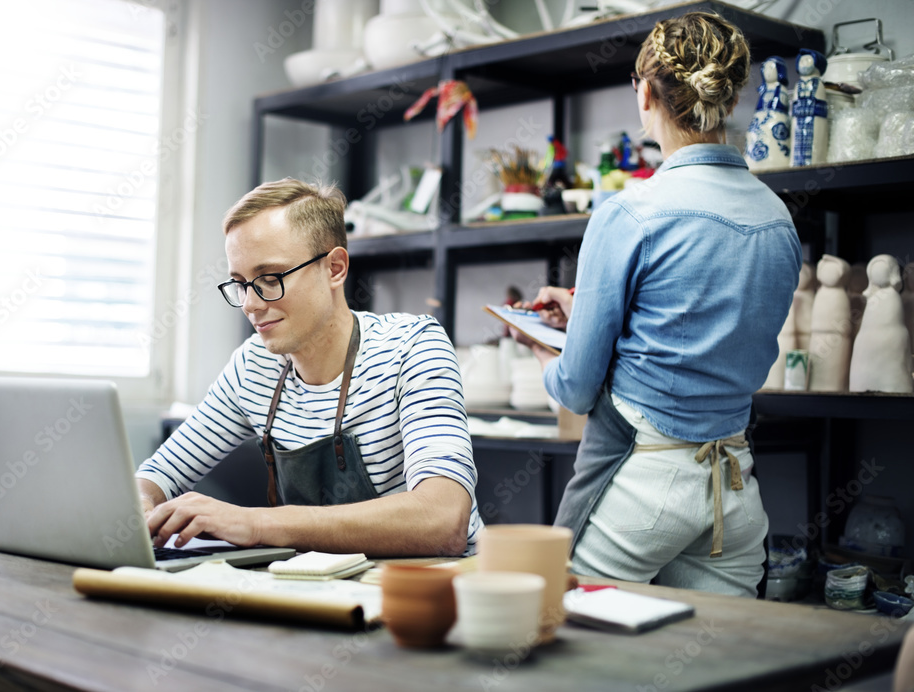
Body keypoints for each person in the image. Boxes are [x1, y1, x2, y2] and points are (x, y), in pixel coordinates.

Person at [517, 12, 801, 597]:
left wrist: (541, 354)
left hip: (640, 483)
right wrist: (585, 309)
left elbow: (575, 388)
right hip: (732, 488)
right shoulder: (778, 219)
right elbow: (701, 315)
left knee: (567, 644)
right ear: (728, 95)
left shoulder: (631, 212)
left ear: (645, 93)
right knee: (715, 665)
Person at [138, 178, 482, 557]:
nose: (251, 304)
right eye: (241, 283)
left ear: (334, 268)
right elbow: (156, 476)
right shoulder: (254, 366)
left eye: (270, 279)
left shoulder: (412, 347)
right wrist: (139, 503)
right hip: (321, 590)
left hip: (428, 593)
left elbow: (443, 518)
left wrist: (255, 524)